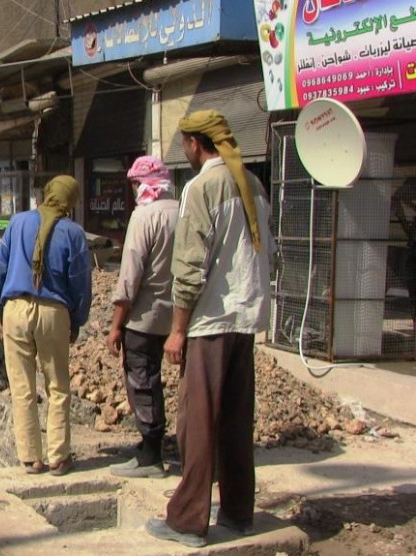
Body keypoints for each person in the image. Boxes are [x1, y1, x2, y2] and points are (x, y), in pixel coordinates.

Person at [145, 110, 273, 548]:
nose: (184, 151)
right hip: (245, 321)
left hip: (211, 323)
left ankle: (187, 520)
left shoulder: (201, 187)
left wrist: (178, 329)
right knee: (236, 421)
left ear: (195, 144)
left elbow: (190, 268)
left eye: (184, 143)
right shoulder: (252, 184)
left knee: (197, 424)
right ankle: (238, 513)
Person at [0, 175, 91, 477]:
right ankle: (58, 457)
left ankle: (31, 458)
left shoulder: (18, 223)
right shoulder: (74, 233)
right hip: (54, 312)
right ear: (71, 200)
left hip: (15, 310)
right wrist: (77, 320)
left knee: (22, 387)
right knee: (58, 386)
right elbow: (81, 283)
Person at [106, 156, 179, 479]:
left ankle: (151, 455)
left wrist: (115, 325)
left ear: (141, 185)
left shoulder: (144, 216)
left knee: (143, 382)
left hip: (145, 319)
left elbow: (129, 276)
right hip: (180, 317)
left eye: (135, 184)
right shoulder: (184, 211)